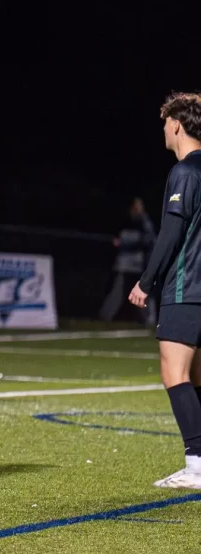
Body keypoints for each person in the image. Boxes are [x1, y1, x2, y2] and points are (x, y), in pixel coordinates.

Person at [128, 91, 201, 489]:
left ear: (176, 124)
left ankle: (197, 465)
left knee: (175, 373)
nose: (163, 130)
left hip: (186, 286)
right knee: (197, 376)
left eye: (165, 123)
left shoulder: (185, 172)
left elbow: (172, 232)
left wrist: (146, 281)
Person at [100, 197, 157, 325]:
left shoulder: (144, 221)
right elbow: (118, 238)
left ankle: (150, 319)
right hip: (125, 263)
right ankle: (105, 316)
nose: (138, 209)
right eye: (136, 206)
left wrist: (132, 239)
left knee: (143, 291)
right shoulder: (125, 219)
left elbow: (150, 238)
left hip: (140, 264)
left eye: (140, 206)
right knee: (118, 291)